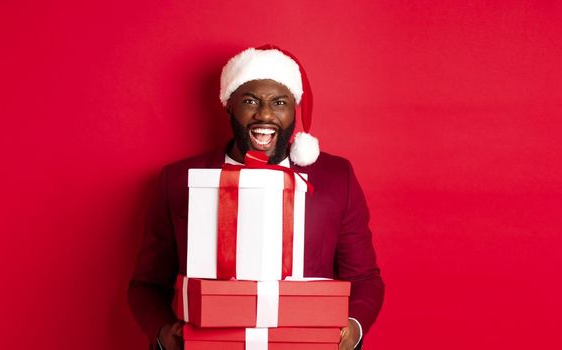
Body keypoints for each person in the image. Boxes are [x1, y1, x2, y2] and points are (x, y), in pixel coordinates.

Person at [127, 45, 384, 350]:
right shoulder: (180, 179)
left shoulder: (335, 177)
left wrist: (352, 329)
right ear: (228, 106)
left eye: (279, 102)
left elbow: (365, 278)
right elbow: (147, 284)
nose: (264, 113)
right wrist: (163, 333)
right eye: (250, 101)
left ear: (294, 108)